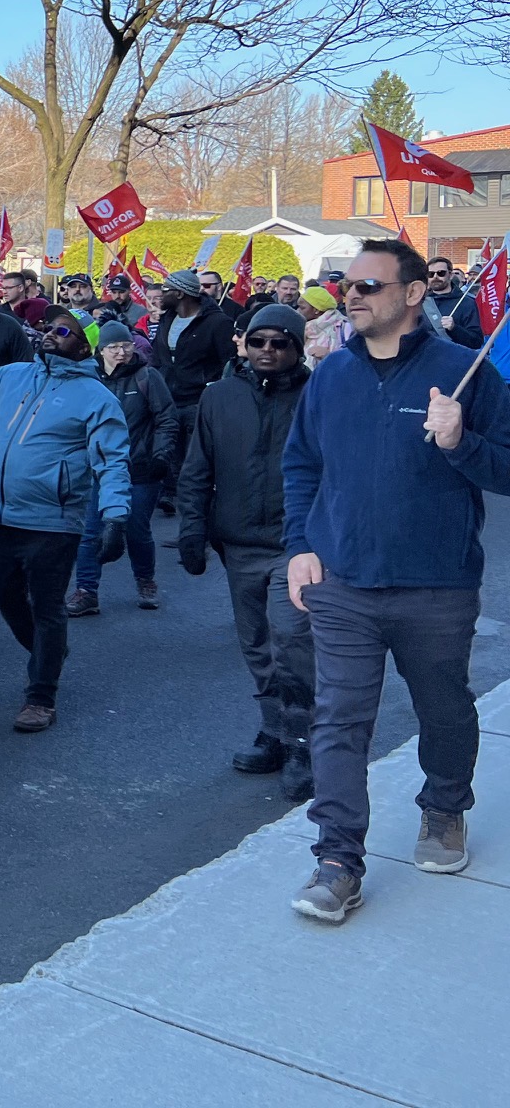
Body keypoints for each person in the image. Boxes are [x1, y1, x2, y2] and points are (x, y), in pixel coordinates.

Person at [282, 240, 510, 923]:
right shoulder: (330, 376)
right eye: (345, 283)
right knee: (338, 722)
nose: (351, 295)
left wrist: (458, 441)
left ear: (412, 294)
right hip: (345, 583)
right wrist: (300, 546)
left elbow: (506, 470)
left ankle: (444, 808)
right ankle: (337, 860)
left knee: (444, 710)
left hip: (436, 587)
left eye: (369, 285)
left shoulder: (464, 372)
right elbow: (302, 466)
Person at [0, 305, 130, 732]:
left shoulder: (97, 398)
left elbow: (112, 462)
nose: (50, 332)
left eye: (64, 330)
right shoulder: (14, 375)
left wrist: (116, 517)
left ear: (84, 344)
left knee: (47, 608)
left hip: (52, 523)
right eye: (48, 325)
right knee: (5, 598)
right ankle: (48, 651)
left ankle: (41, 695)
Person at [177, 302, 316, 800]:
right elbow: (197, 470)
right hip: (238, 543)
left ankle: (303, 742)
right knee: (256, 644)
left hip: (296, 544)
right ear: (244, 343)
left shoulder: (317, 396)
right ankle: (274, 730)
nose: (268, 351)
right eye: (258, 341)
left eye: (280, 343)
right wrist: (192, 532)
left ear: (296, 348)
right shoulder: (218, 398)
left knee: (292, 643)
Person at [68, 323, 177, 615]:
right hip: (96, 470)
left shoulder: (147, 377)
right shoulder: (88, 378)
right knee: (91, 532)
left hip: (139, 469)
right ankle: (86, 590)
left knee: (136, 530)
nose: (121, 352)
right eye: (114, 347)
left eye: (126, 345)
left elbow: (166, 418)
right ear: (100, 350)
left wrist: (162, 456)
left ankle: (146, 581)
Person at [150, 268, 238, 482]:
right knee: (169, 453)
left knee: (195, 459)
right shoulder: (166, 319)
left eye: (166, 290)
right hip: (167, 399)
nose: (161, 294)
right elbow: (158, 354)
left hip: (197, 401)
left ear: (180, 294)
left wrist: (212, 386)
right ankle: (169, 494)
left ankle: (192, 501)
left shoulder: (218, 322)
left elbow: (229, 361)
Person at [423, 256, 484, 348]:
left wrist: (454, 328)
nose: (435, 277)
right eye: (431, 274)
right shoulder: (419, 302)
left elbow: (476, 342)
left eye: (441, 273)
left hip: (455, 359)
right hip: (424, 359)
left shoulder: (466, 303)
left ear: (450, 275)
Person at [299, 284, 347, 366]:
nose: (298, 311)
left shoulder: (343, 327)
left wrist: (329, 356)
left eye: (302, 308)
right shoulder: (301, 327)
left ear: (316, 310)